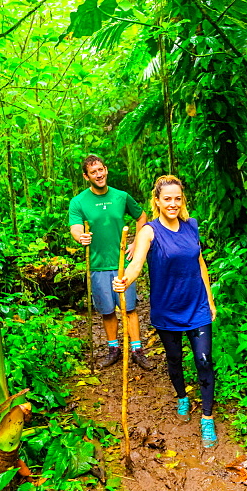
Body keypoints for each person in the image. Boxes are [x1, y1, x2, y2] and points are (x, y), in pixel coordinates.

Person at [113, 175, 219, 447]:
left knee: (204, 360)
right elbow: (136, 264)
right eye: (167, 199)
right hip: (167, 309)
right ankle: (182, 396)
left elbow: (200, 262)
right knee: (174, 359)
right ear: (157, 201)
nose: (173, 203)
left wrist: (210, 298)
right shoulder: (149, 231)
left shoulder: (191, 226)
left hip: (196, 306)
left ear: (182, 200)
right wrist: (125, 280)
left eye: (177, 198)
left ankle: (207, 418)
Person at [68, 155, 153, 371]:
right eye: (93, 172)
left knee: (130, 308)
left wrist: (136, 242)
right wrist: (81, 237)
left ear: (106, 170)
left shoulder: (121, 196)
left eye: (101, 170)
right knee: (107, 311)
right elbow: (75, 227)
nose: (99, 175)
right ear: (86, 176)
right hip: (97, 265)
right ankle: (113, 349)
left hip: (123, 264)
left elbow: (142, 216)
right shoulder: (79, 201)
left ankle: (137, 350)